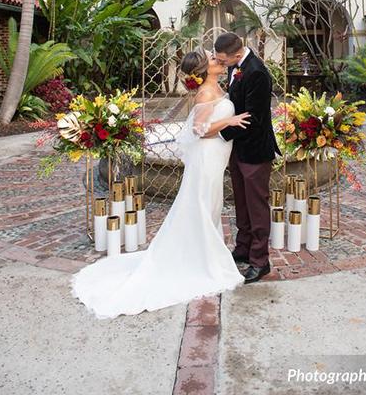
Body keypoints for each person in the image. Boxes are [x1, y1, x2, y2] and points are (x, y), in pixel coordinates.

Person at [70, 46, 250, 319]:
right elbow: (198, 130)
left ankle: (202, 254)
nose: (219, 60)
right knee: (202, 203)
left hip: (216, 157)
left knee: (208, 204)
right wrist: (230, 121)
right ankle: (204, 260)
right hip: (207, 157)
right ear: (204, 69)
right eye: (213, 59)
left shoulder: (216, 89)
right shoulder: (206, 92)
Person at [213, 32, 281, 284]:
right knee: (241, 202)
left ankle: (260, 261)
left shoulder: (257, 73)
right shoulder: (235, 67)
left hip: (255, 151)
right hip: (238, 148)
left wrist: (219, 132)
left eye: (223, 61)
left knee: (257, 206)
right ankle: (243, 248)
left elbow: (254, 119)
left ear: (238, 55)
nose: (221, 65)